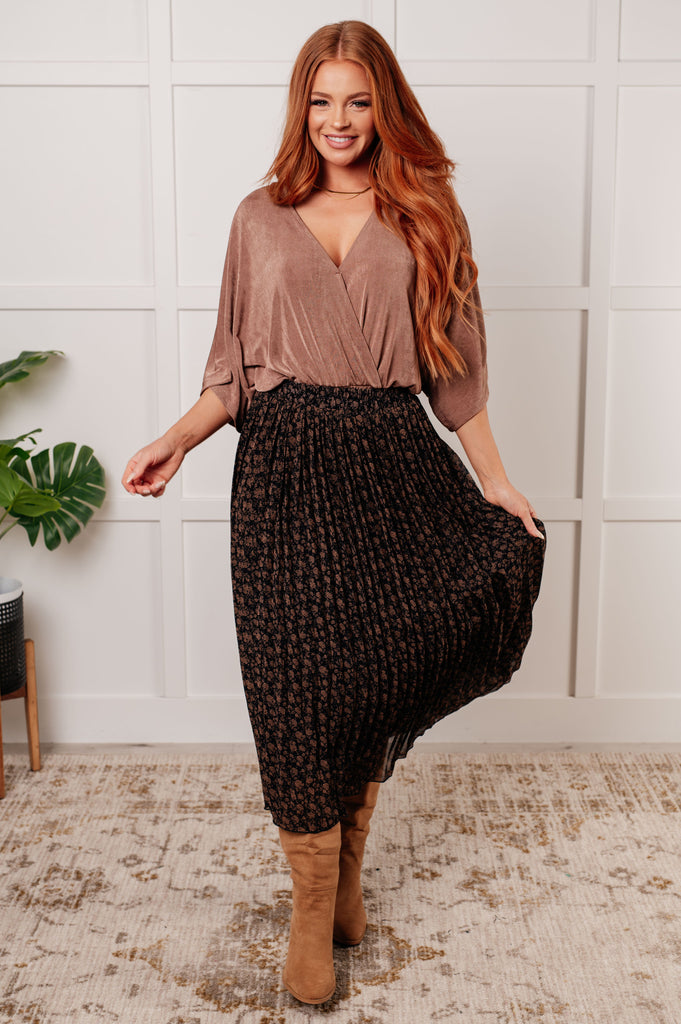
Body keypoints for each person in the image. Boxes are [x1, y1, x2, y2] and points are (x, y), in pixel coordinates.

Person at [122, 19, 546, 1007]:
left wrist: (494, 479)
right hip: (281, 476)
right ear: (300, 108)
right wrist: (176, 438)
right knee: (294, 693)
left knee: (366, 676)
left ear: (384, 108)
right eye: (321, 101)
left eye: (357, 101)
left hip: (392, 466)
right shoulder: (258, 216)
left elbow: (455, 372)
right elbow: (231, 371)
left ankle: (350, 869)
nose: (338, 120)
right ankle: (312, 909)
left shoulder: (428, 213)